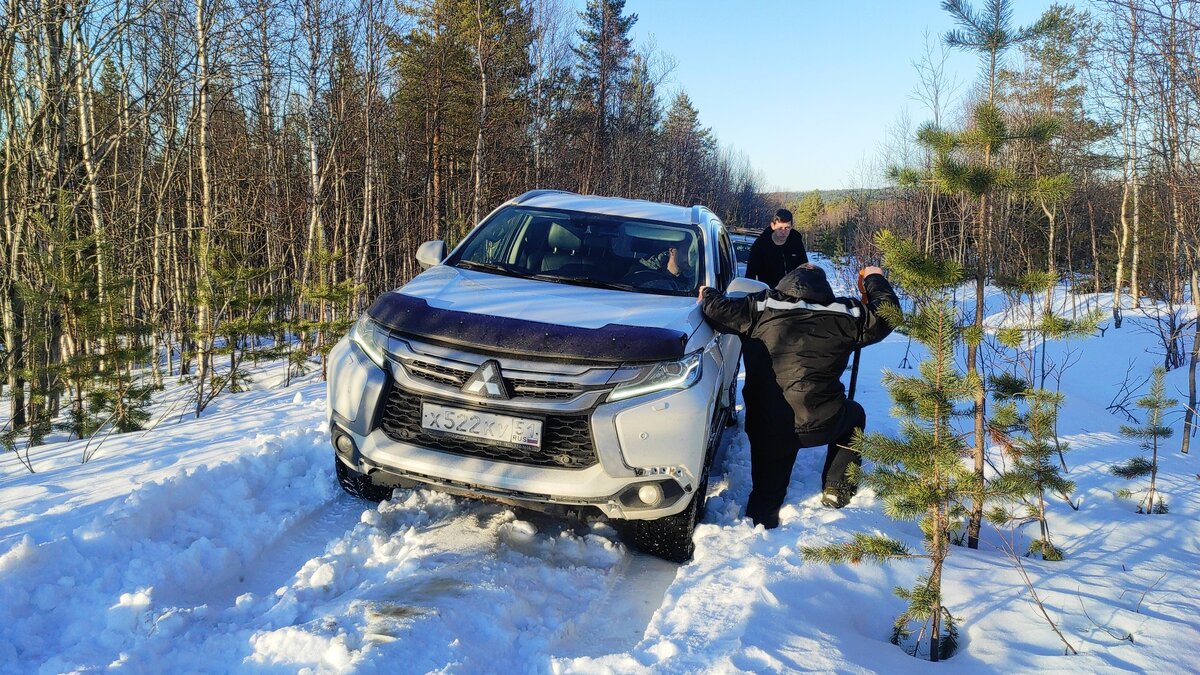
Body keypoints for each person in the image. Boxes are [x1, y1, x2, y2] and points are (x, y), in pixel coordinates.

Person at [698, 263, 900, 528]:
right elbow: (889, 314)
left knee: (767, 494)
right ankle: (838, 489)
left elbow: (716, 310)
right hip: (823, 421)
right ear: (824, 286)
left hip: (769, 426)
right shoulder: (847, 313)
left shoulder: (761, 306)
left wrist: (709, 293)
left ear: (788, 281)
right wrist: (873, 277)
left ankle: (760, 525)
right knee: (854, 416)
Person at [744, 208, 809, 288]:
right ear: (773, 226)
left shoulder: (796, 242)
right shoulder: (760, 245)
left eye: (787, 228)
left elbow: (804, 269)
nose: (783, 232)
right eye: (780, 228)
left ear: (791, 226)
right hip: (768, 294)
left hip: (793, 293)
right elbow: (750, 275)